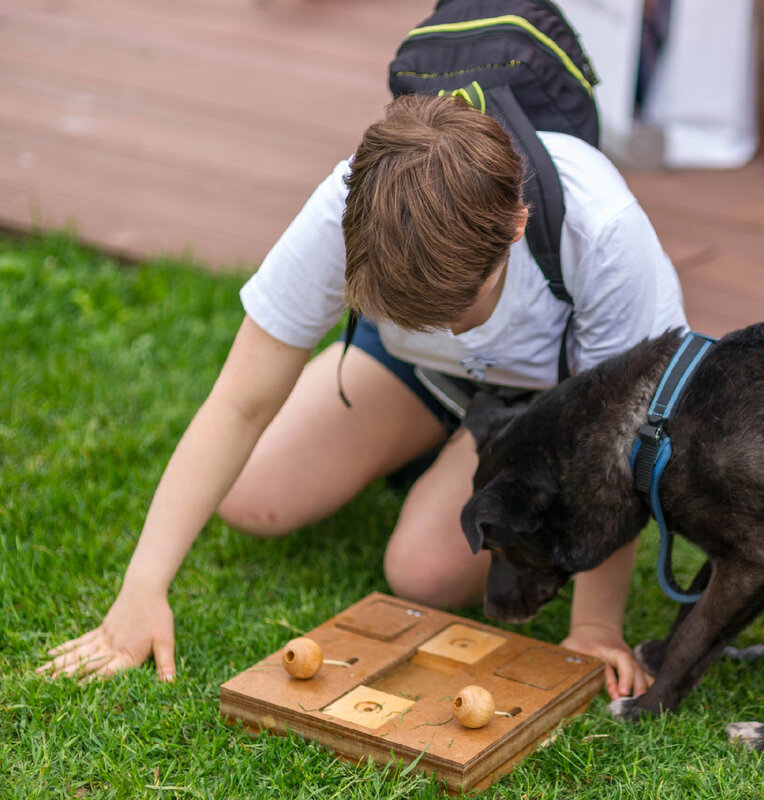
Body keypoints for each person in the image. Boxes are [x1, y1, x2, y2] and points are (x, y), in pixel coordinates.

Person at [39, 94, 688, 700]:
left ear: (517, 226)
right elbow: (239, 402)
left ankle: (455, 454)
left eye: (457, 309)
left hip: (546, 401)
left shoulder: (600, 233)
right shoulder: (352, 205)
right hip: (419, 375)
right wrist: (144, 586)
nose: (443, 327)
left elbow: (616, 448)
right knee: (251, 495)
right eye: (413, 312)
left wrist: (595, 625)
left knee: (423, 572)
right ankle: (429, 443)